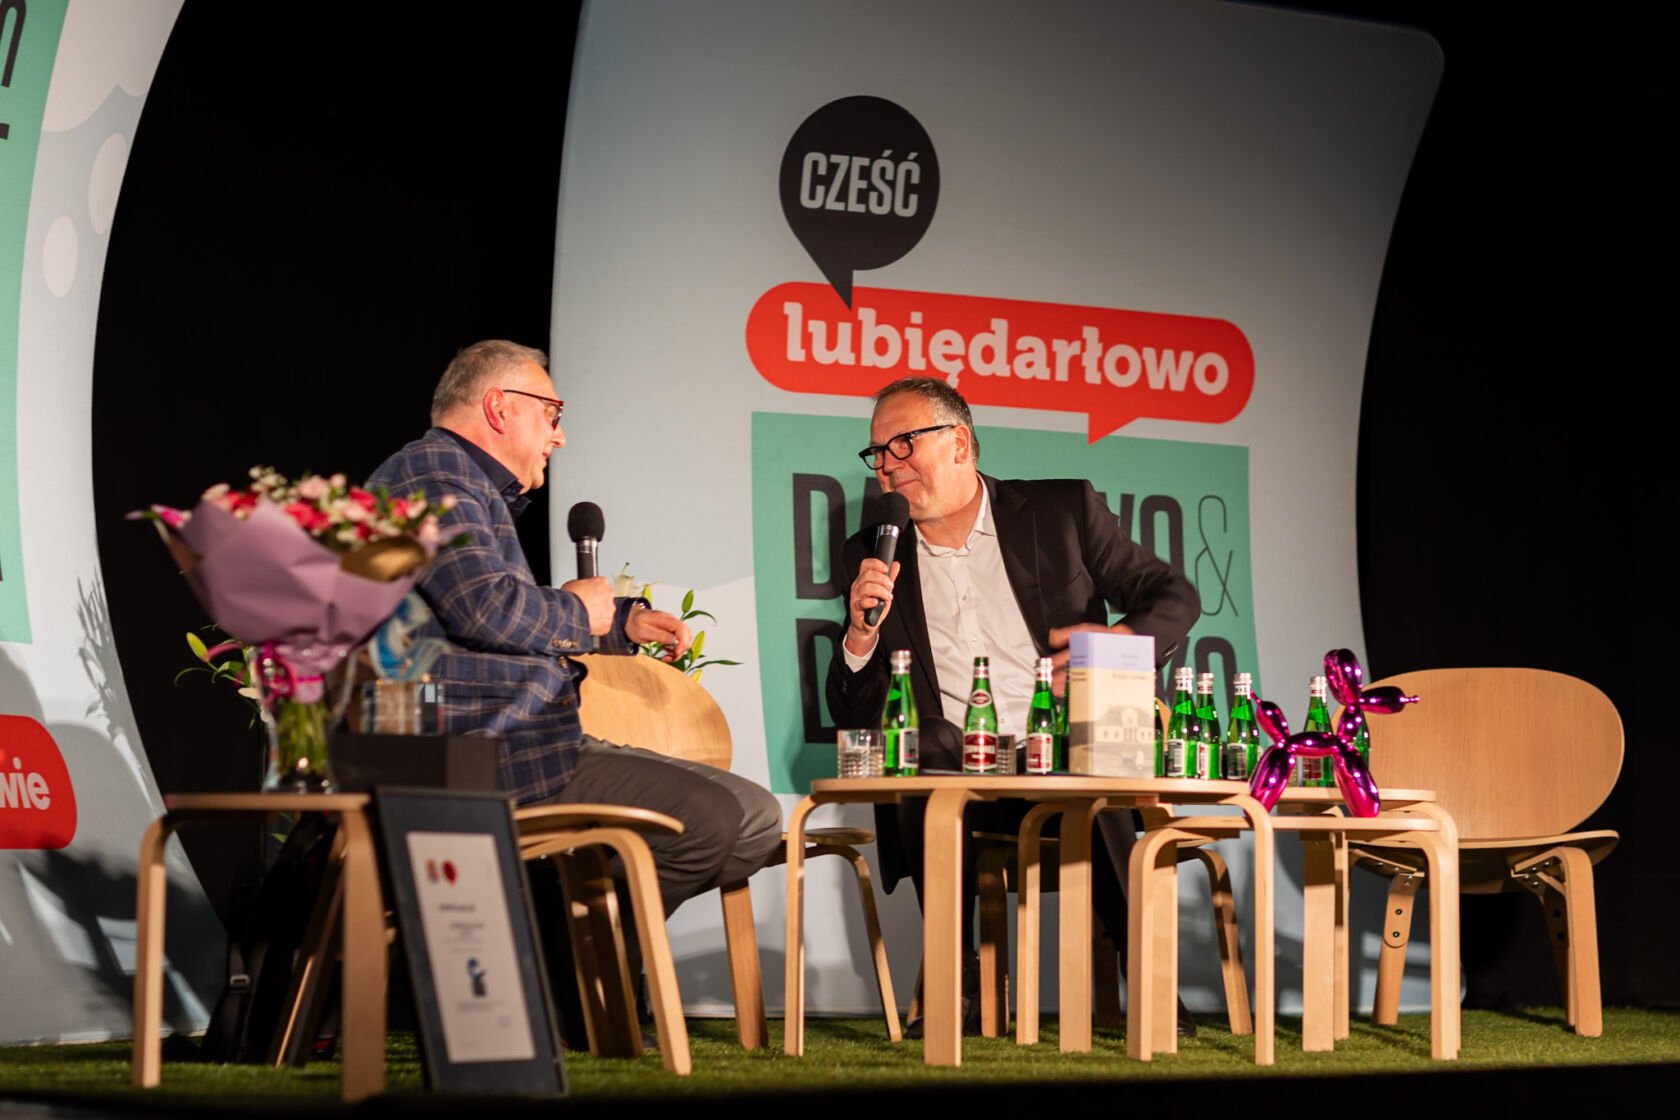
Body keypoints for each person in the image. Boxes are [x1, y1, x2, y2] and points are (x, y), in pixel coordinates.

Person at [825, 376, 1201, 1035]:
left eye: (903, 444)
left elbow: (1172, 595)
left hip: (1063, 759)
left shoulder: (1061, 512)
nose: (886, 464)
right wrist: (860, 635)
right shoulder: (872, 555)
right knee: (926, 740)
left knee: (1092, 755)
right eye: (878, 451)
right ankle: (954, 981)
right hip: (957, 778)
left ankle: (1148, 975)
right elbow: (857, 719)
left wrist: (1120, 645)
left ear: (959, 443)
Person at [367, 340, 782, 916]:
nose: (559, 436)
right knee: (711, 820)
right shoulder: (432, 475)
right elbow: (484, 609)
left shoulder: (461, 481)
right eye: (551, 413)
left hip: (532, 740)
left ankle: (565, 934)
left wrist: (619, 624)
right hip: (489, 752)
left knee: (755, 820)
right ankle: (574, 956)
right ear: (499, 407)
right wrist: (577, 612)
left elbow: (483, 616)